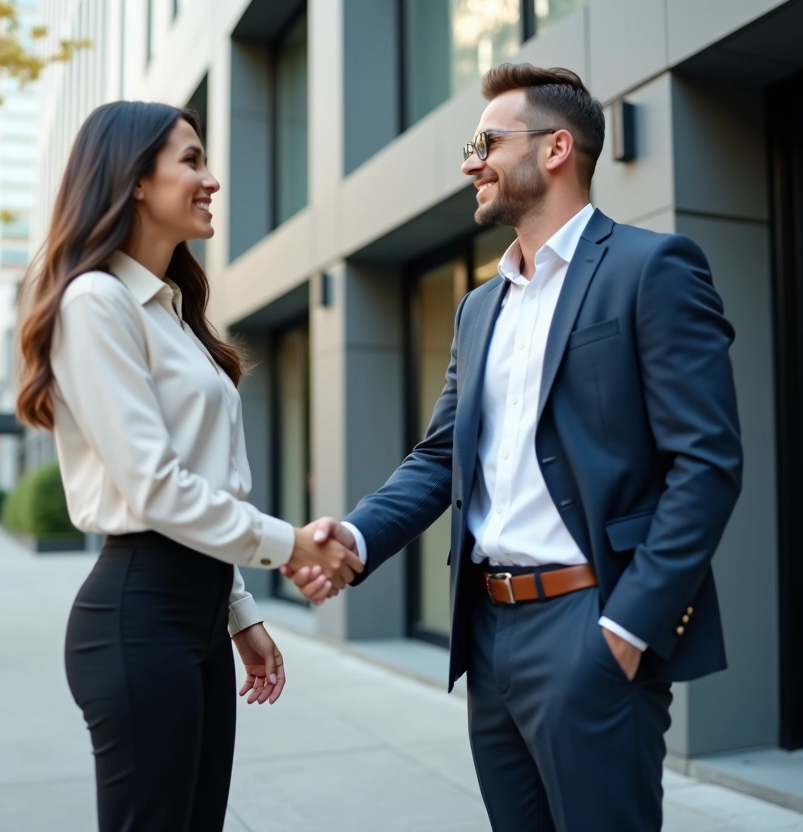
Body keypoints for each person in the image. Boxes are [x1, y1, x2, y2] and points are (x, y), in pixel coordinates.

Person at [290, 64, 743, 831]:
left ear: (558, 148)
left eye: (488, 142)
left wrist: (628, 629)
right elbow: (440, 457)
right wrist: (358, 536)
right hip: (489, 635)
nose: (471, 161)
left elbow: (707, 464)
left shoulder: (651, 268)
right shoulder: (478, 306)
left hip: (590, 624)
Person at [15, 101, 360, 832]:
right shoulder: (95, 302)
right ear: (135, 179)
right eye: (192, 160)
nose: (212, 180)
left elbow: (200, 482)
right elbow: (155, 485)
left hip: (195, 618)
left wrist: (237, 616)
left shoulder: (169, 310)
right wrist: (292, 544)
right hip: (138, 616)